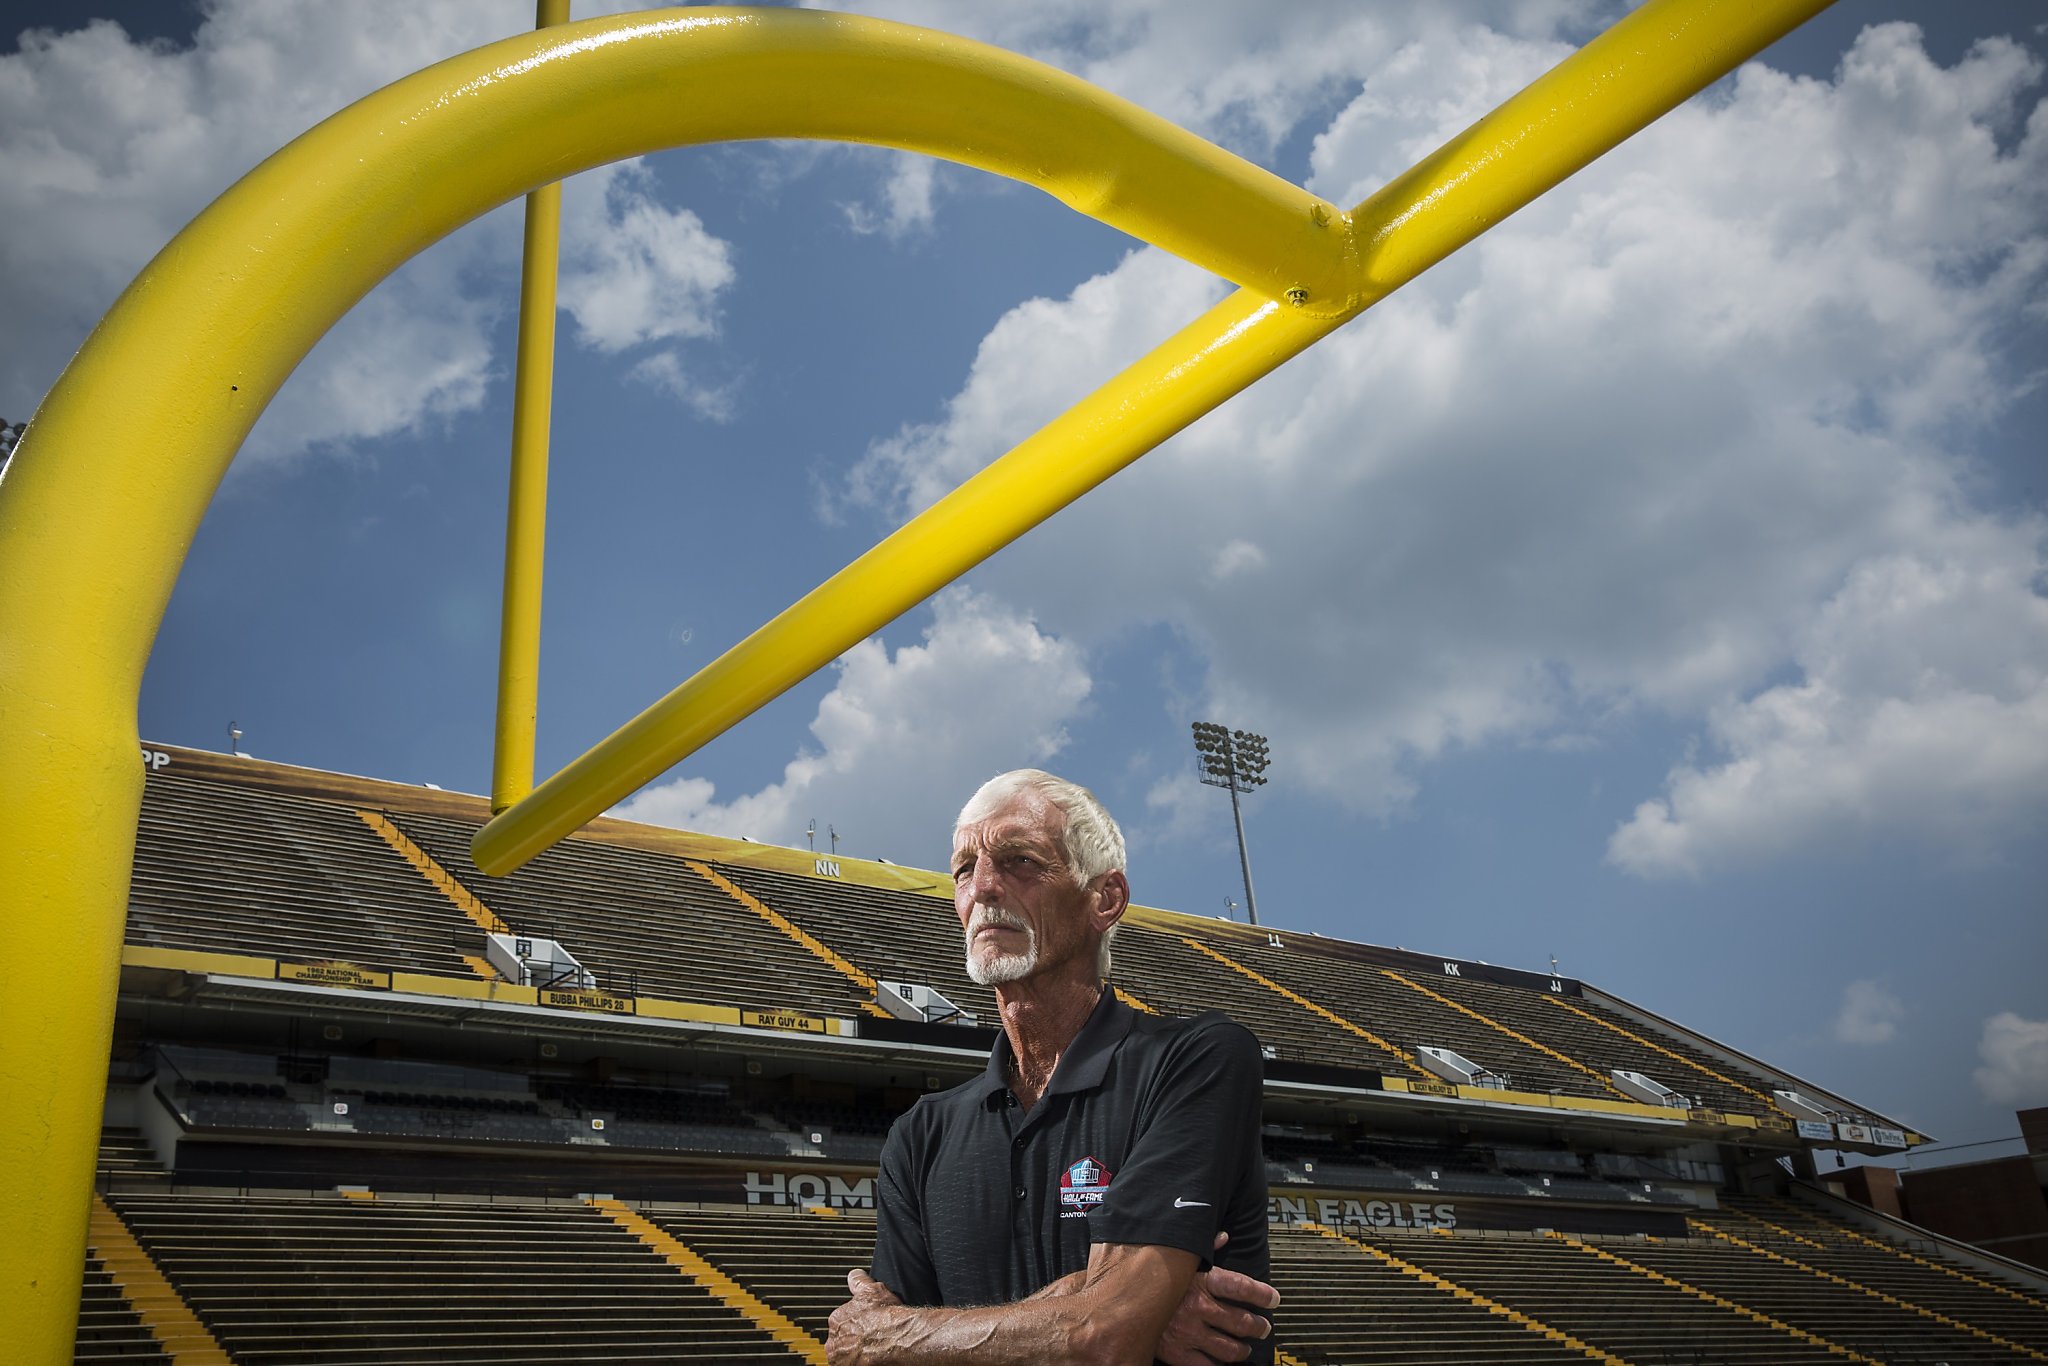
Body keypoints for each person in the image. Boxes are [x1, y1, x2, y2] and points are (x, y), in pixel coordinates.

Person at [827, 769, 1280, 1366]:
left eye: (1018, 861)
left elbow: (1104, 1338)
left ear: (1105, 898)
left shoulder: (1196, 1058)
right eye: (964, 868)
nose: (983, 887)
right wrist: (1117, 1308)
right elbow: (1108, 1326)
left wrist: (904, 1336)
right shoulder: (921, 1132)